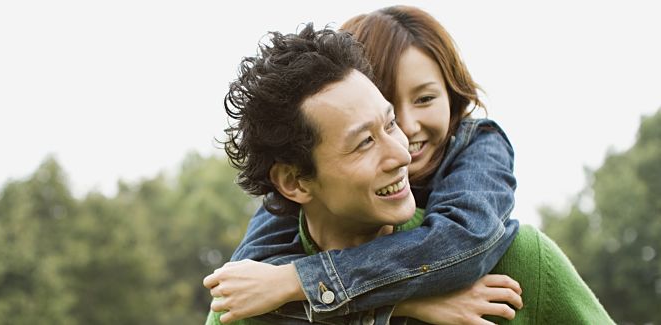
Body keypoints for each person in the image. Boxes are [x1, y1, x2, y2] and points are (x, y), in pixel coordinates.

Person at [205, 6, 613, 325]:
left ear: (452, 99)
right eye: (365, 139)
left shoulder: (516, 251)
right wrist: (403, 304)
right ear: (294, 183)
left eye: (393, 120)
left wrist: (298, 282)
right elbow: (255, 280)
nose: (404, 145)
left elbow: (463, 243)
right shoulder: (252, 289)